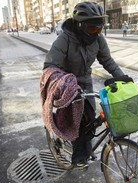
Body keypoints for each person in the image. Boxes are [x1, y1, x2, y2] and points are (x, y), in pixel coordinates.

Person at [43, 2, 125, 169]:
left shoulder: (98, 40)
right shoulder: (64, 39)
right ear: (81, 25)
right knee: (77, 121)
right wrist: (62, 82)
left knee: (90, 119)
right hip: (66, 83)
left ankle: (85, 148)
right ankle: (79, 156)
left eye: (99, 29)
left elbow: (107, 61)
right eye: (92, 29)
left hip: (85, 81)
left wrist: (122, 78)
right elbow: (50, 66)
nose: (96, 33)